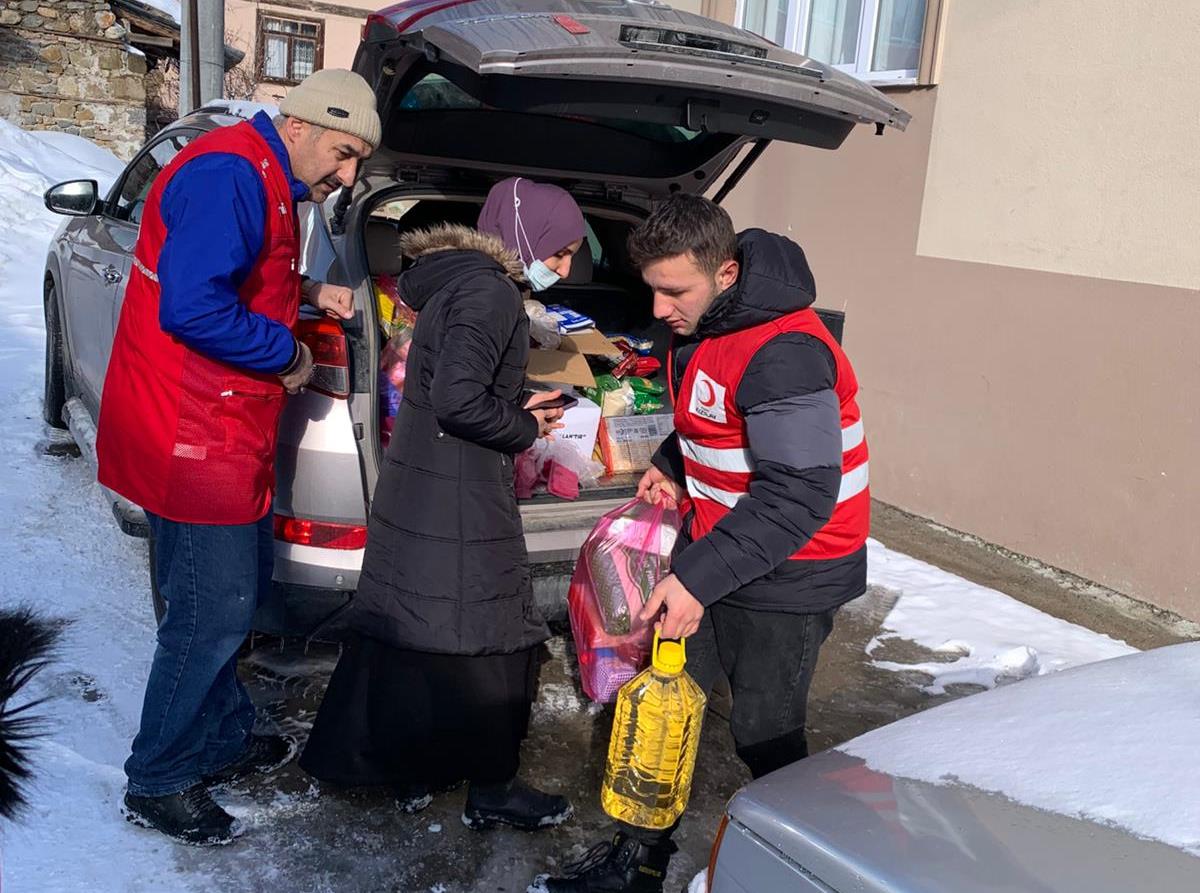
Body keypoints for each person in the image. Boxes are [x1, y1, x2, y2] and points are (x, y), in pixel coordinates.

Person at [535, 195, 871, 891]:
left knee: (765, 733)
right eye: (650, 289)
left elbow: (797, 496)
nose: (657, 309)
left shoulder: (788, 353)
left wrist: (693, 579)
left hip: (791, 574)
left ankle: (804, 869)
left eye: (672, 290)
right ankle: (641, 860)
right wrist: (669, 464)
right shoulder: (705, 324)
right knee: (663, 704)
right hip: (721, 556)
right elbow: (709, 425)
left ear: (725, 273)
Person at [96, 69, 380, 845]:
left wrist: (311, 293)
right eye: (345, 154)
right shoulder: (228, 174)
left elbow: (243, 273)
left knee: (238, 590)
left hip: (224, 427)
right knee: (208, 611)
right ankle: (158, 776)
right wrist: (285, 346)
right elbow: (194, 306)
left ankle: (217, 735)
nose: (347, 175)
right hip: (190, 427)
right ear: (301, 126)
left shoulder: (260, 171)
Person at [300, 178, 586, 831]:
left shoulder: (463, 284)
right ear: (525, 236)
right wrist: (523, 425)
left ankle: (395, 764)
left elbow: (447, 389)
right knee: (492, 636)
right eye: (560, 251)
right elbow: (460, 398)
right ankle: (492, 786)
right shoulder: (489, 295)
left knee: (414, 631)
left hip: (428, 479)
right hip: (458, 489)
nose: (565, 268)